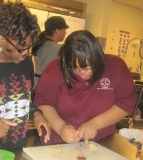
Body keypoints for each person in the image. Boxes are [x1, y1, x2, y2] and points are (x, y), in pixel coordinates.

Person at [34, 30, 136, 147]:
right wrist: (61, 128)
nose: (82, 73)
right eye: (74, 68)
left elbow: (125, 104)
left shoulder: (115, 66)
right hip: (58, 144)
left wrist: (95, 124)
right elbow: (43, 103)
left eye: (87, 67)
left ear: (98, 57)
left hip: (101, 143)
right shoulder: (55, 68)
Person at [0, 2, 51, 150]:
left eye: (28, 48)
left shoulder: (26, 63)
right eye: (20, 49)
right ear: (1, 39)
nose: (25, 54)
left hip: (17, 149)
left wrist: (36, 115)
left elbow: (20, 101)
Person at [31, 16, 69, 88]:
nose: (65, 32)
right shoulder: (60, 48)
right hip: (48, 86)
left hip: (35, 84)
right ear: (57, 31)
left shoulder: (38, 44)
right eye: (64, 29)